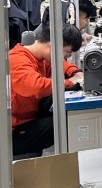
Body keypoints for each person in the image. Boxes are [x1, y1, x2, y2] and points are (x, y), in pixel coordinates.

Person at [10, 24, 84, 156]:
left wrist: (75, 72)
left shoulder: (40, 57)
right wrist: (70, 82)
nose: (65, 57)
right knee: (68, 121)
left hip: (28, 119)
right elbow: (36, 86)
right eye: (66, 52)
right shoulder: (17, 59)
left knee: (68, 111)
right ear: (52, 45)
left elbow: (61, 65)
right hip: (12, 132)